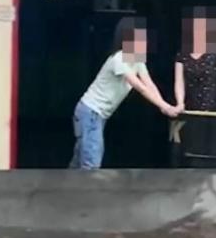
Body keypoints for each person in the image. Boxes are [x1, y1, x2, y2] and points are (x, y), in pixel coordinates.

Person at [69, 17, 180, 170]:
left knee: (81, 160)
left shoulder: (137, 60)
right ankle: (85, 193)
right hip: (90, 113)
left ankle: (65, 191)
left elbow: (149, 84)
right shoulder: (119, 59)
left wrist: (165, 106)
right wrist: (164, 107)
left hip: (97, 115)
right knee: (91, 162)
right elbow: (139, 86)